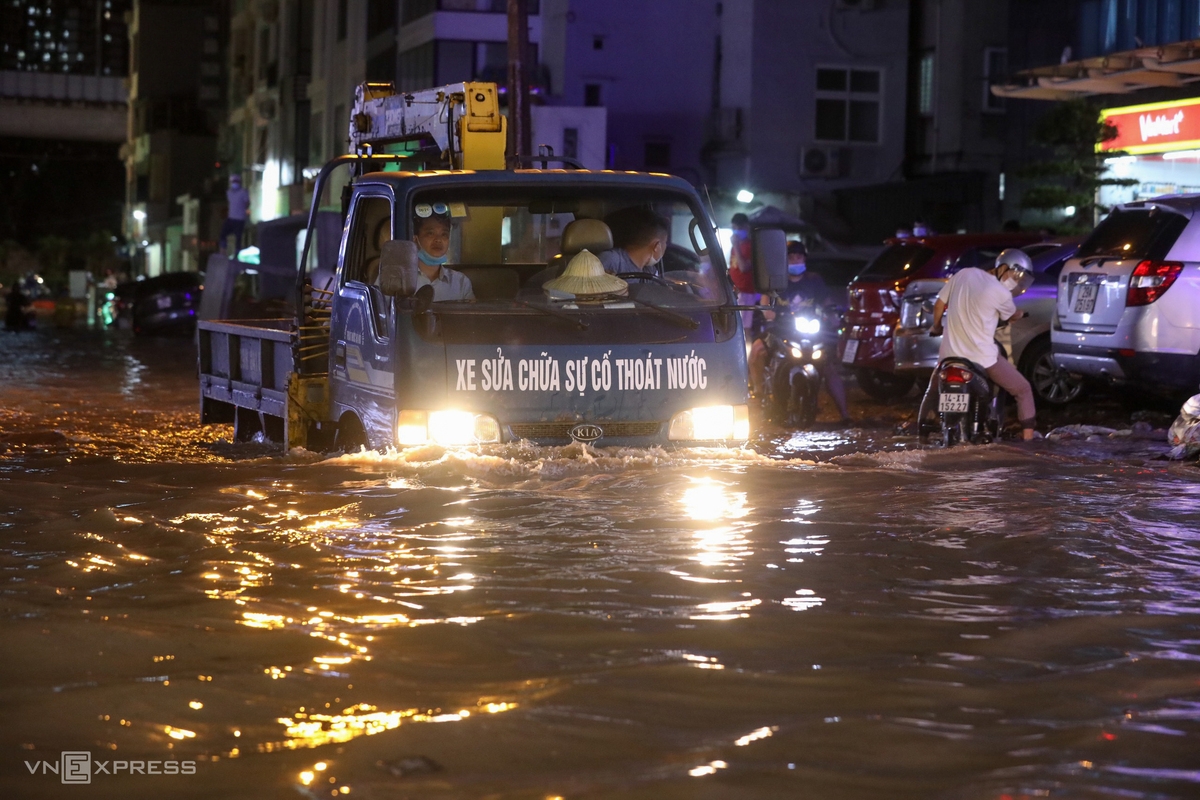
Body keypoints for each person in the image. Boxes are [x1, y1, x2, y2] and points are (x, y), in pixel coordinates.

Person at [928, 248, 1036, 440]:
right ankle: (1030, 441)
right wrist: (1018, 315)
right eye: (1015, 275)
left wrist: (936, 327)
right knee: (1023, 389)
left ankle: (924, 429)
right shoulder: (1002, 293)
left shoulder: (963, 274)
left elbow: (938, 305)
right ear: (1003, 267)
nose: (1016, 282)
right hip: (982, 359)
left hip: (949, 357)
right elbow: (1011, 315)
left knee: (931, 391)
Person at [749, 241, 851, 423]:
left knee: (829, 367)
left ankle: (845, 415)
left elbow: (826, 302)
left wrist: (835, 316)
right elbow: (765, 301)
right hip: (780, 331)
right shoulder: (776, 281)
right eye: (790, 257)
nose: (795, 260)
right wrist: (767, 311)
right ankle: (757, 392)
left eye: (799, 256)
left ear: (804, 258)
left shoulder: (814, 280)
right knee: (757, 351)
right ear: (784, 260)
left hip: (810, 332)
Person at [411, 205, 474, 302]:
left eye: (444, 234)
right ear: (415, 239)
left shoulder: (461, 282)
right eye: (430, 233)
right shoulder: (397, 278)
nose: (438, 240)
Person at [598, 207, 670, 274]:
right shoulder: (611, 260)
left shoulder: (650, 271)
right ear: (656, 246)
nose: (666, 246)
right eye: (665, 242)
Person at [726, 213, 758, 331]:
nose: (736, 231)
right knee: (733, 327)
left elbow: (744, 267)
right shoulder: (736, 246)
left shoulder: (752, 246)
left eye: (739, 228)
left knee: (744, 329)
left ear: (746, 228)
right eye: (733, 228)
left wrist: (736, 247)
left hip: (746, 292)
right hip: (735, 291)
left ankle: (746, 349)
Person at [219, 175, 251, 255]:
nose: (234, 183)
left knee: (238, 238)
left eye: (236, 181)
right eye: (233, 182)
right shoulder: (229, 193)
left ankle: (237, 254)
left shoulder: (243, 192)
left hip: (239, 219)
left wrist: (244, 209)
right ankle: (223, 249)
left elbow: (247, 202)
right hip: (231, 218)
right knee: (223, 233)